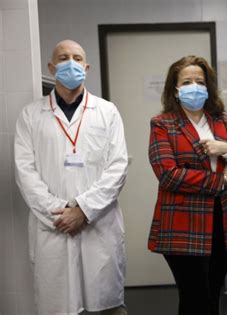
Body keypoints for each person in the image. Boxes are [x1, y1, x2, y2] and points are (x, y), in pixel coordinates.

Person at [14, 40, 128, 315]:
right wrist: (61, 213)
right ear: (51, 67)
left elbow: (118, 167)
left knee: (105, 307)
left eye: (77, 58)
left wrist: (83, 211)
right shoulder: (31, 115)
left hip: (97, 226)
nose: (71, 63)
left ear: (86, 67)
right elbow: (24, 171)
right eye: (63, 58)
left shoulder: (107, 111)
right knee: (58, 305)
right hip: (54, 226)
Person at [148, 55, 227, 315]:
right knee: (193, 298)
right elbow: (168, 175)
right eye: (187, 81)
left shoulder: (224, 122)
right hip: (182, 223)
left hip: (222, 219)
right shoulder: (163, 124)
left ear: (208, 87)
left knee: (213, 296)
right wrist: (219, 180)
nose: (194, 86)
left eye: (200, 81)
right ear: (175, 88)